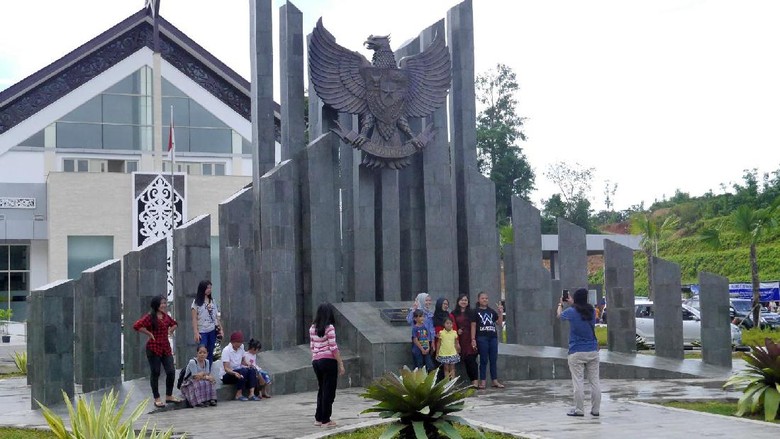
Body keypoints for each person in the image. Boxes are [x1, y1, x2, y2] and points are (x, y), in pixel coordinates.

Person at [557, 287, 601, 417]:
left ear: (575, 299)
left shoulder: (571, 312)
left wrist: (560, 304)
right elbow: (581, 310)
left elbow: (559, 315)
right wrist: (573, 302)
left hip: (576, 351)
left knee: (578, 382)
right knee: (595, 382)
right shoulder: (592, 311)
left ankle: (579, 410)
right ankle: (596, 410)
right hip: (592, 351)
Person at [132, 295, 181, 408]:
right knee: (156, 372)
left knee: (171, 371)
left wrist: (170, 330)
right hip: (153, 347)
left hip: (165, 347)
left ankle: (169, 396)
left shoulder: (166, 317)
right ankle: (157, 398)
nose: (164, 305)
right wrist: (149, 333)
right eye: (162, 303)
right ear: (156, 305)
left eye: (165, 303)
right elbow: (137, 326)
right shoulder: (150, 317)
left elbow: (174, 323)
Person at [310, 302, 346, 427]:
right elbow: (333, 347)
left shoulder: (312, 328)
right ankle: (326, 420)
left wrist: (315, 358)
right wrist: (340, 363)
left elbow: (312, 346)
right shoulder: (329, 327)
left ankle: (318, 418)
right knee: (329, 391)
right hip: (328, 361)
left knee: (322, 389)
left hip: (316, 361)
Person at [473, 291, 504, 389]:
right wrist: (473, 339)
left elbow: (499, 323)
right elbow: (473, 326)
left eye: (486, 298)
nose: (485, 300)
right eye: (482, 298)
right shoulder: (475, 311)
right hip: (482, 337)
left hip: (493, 337)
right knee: (483, 360)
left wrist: (500, 312)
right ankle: (483, 381)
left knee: (493, 359)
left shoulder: (491, 311)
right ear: (478, 299)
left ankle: (494, 380)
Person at [191, 280, 222, 366]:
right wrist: (196, 332)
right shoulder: (196, 302)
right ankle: (200, 370)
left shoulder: (212, 301)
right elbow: (194, 319)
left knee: (210, 351)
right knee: (202, 351)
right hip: (202, 331)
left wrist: (221, 329)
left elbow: (216, 317)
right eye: (207, 288)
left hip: (212, 329)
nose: (209, 290)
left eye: (210, 288)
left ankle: (208, 372)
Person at [221, 331, 259, 401]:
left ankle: (252, 394)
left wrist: (249, 364)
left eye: (240, 342)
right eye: (237, 342)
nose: (239, 344)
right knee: (243, 371)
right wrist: (234, 373)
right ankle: (238, 394)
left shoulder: (241, 347)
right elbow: (226, 368)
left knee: (251, 370)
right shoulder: (226, 350)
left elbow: (243, 360)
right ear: (232, 342)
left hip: (239, 370)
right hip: (228, 374)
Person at [452, 293, 479, 388]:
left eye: (465, 300)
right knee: (465, 360)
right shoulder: (454, 313)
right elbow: (451, 325)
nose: (464, 302)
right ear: (458, 301)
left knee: (471, 359)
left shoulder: (471, 312)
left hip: (470, 337)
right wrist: (457, 331)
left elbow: (473, 325)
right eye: (462, 300)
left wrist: (473, 339)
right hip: (459, 338)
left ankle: (475, 381)